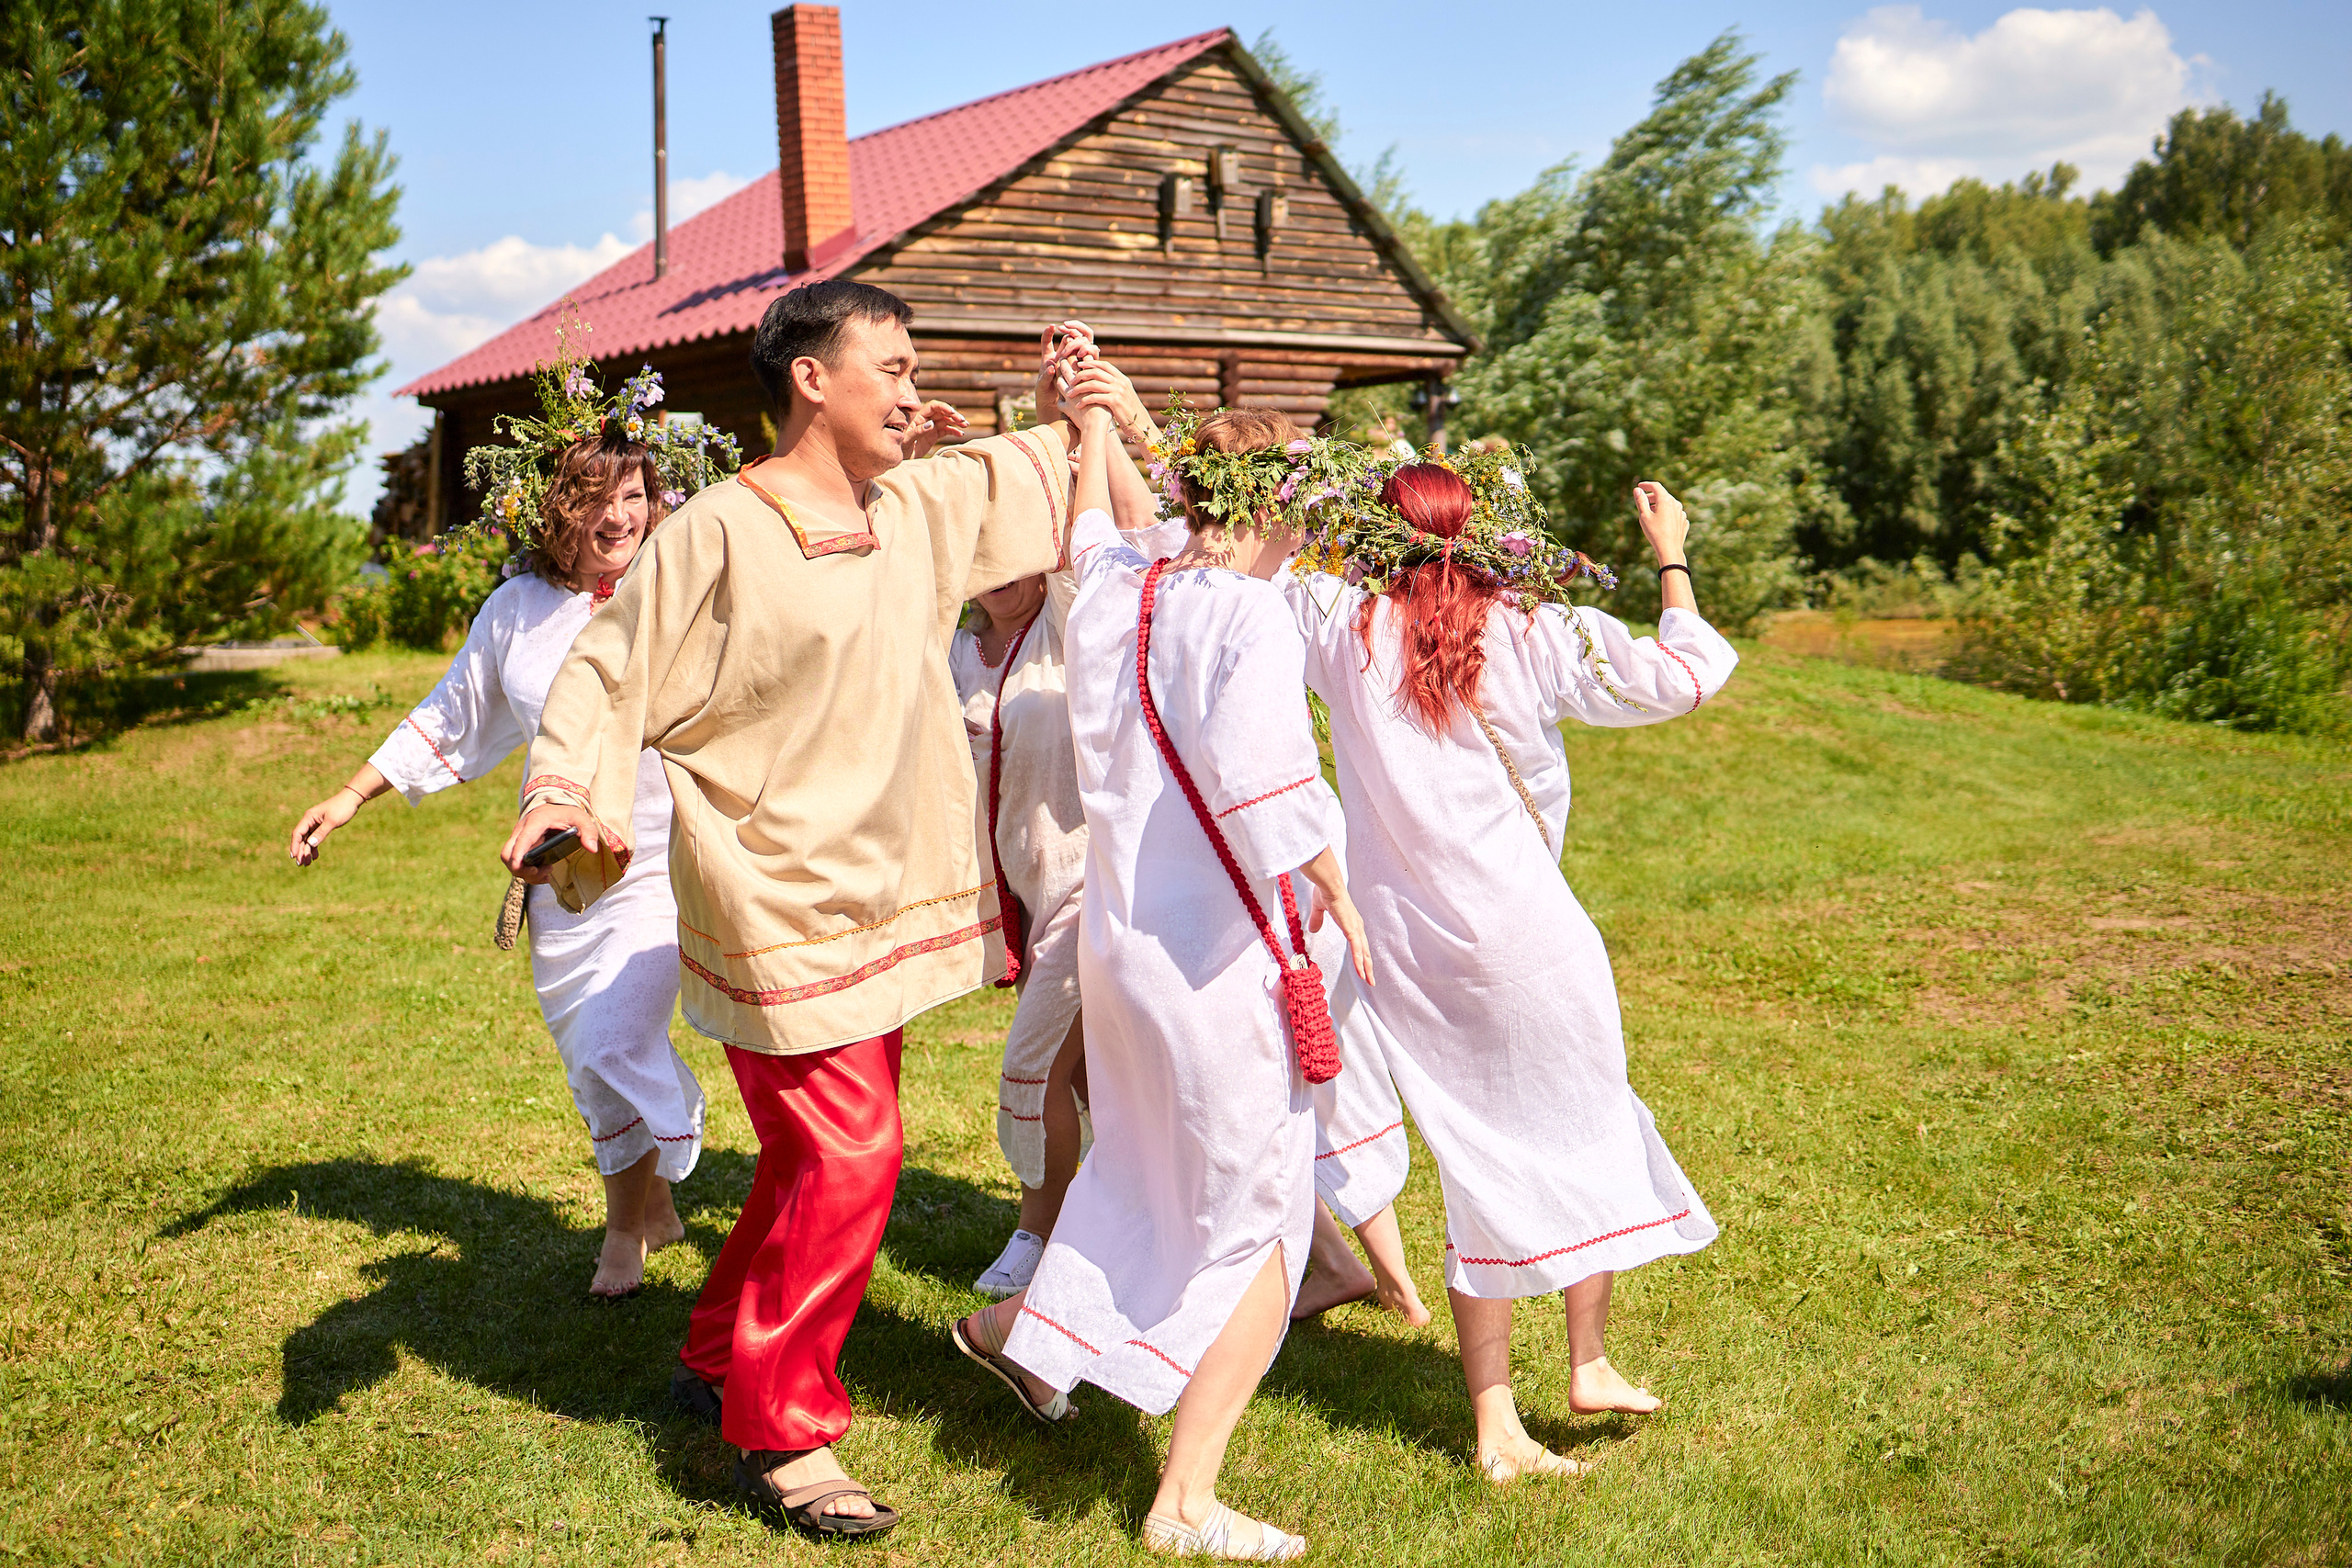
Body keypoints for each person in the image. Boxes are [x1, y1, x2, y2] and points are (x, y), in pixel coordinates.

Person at [498, 284, 1094, 1540]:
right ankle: (779, 1423)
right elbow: (607, 674)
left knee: (810, 1152)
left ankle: (719, 1344)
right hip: (769, 886)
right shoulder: (713, 529)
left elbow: (1056, 476)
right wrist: (566, 798)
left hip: (874, 887)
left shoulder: (913, 509)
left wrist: (1064, 410)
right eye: (891, 362)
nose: (909, 382)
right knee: (851, 1154)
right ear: (813, 380)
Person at [952, 401, 1374, 1561]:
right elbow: (1264, 785)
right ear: (1272, 504)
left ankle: (1018, 1334)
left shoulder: (1116, 585)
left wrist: (1091, 424)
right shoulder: (1245, 611)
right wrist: (1344, 899)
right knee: (1261, 1223)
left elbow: (1092, 522)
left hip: (1122, 949)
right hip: (1218, 957)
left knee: (1140, 1170)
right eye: (1302, 500)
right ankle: (1183, 1504)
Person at [1282, 451, 1734, 1483]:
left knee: (1475, 1153)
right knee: (1588, 1116)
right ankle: (1563, 1379)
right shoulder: (1532, 625)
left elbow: (1239, 569)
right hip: (1529, 931)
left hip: (1407, 946)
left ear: (1372, 541)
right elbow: (1681, 679)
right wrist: (1671, 561)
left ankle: (1526, 1404)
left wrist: (1124, 430)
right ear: (1478, 531)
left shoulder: (1339, 624)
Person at [288, 374, 729, 1300]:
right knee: (591, 1070)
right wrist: (347, 796)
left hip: (663, 864)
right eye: (599, 499)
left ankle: (622, 1234)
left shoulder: (682, 591)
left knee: (615, 1038)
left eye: (636, 495)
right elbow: (447, 715)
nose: (622, 516)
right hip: (566, 881)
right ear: (555, 508)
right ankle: (643, 1210)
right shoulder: (515, 613)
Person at [950, 563, 1092, 1296]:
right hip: (1028, 899)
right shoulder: (957, 651)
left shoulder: (1067, 624)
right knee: (1099, 1083)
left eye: (1018, 552)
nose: (1002, 570)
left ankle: (1037, 1236)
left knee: (1032, 1070)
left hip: (1095, 887)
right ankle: (1323, 1251)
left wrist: (1093, 441)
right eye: (985, 551)